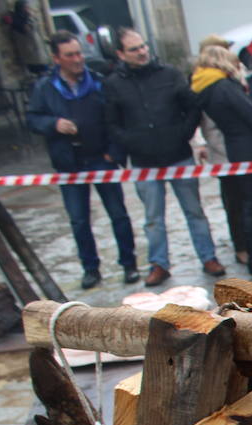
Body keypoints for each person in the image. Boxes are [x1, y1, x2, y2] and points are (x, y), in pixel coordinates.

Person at [103, 28, 222, 287]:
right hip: (144, 163)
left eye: (143, 46)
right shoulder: (114, 84)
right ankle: (159, 264)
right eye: (134, 49)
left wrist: (183, 134)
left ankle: (208, 257)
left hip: (178, 156)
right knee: (153, 218)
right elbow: (112, 122)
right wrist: (131, 141)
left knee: (194, 211)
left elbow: (191, 106)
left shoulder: (169, 74)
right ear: (121, 54)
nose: (142, 52)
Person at [28, 30, 138, 289]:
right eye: (70, 55)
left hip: (101, 159)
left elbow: (115, 119)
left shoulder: (99, 82)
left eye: (79, 53)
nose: (77, 59)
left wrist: (114, 151)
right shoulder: (45, 88)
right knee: (79, 219)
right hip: (69, 163)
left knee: (118, 214)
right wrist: (53, 123)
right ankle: (90, 268)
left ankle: (129, 263)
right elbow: (32, 118)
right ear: (57, 59)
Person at [192, 44, 252, 278]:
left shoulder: (207, 88)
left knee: (249, 204)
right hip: (246, 149)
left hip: (237, 149)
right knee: (251, 205)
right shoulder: (223, 87)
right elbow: (248, 113)